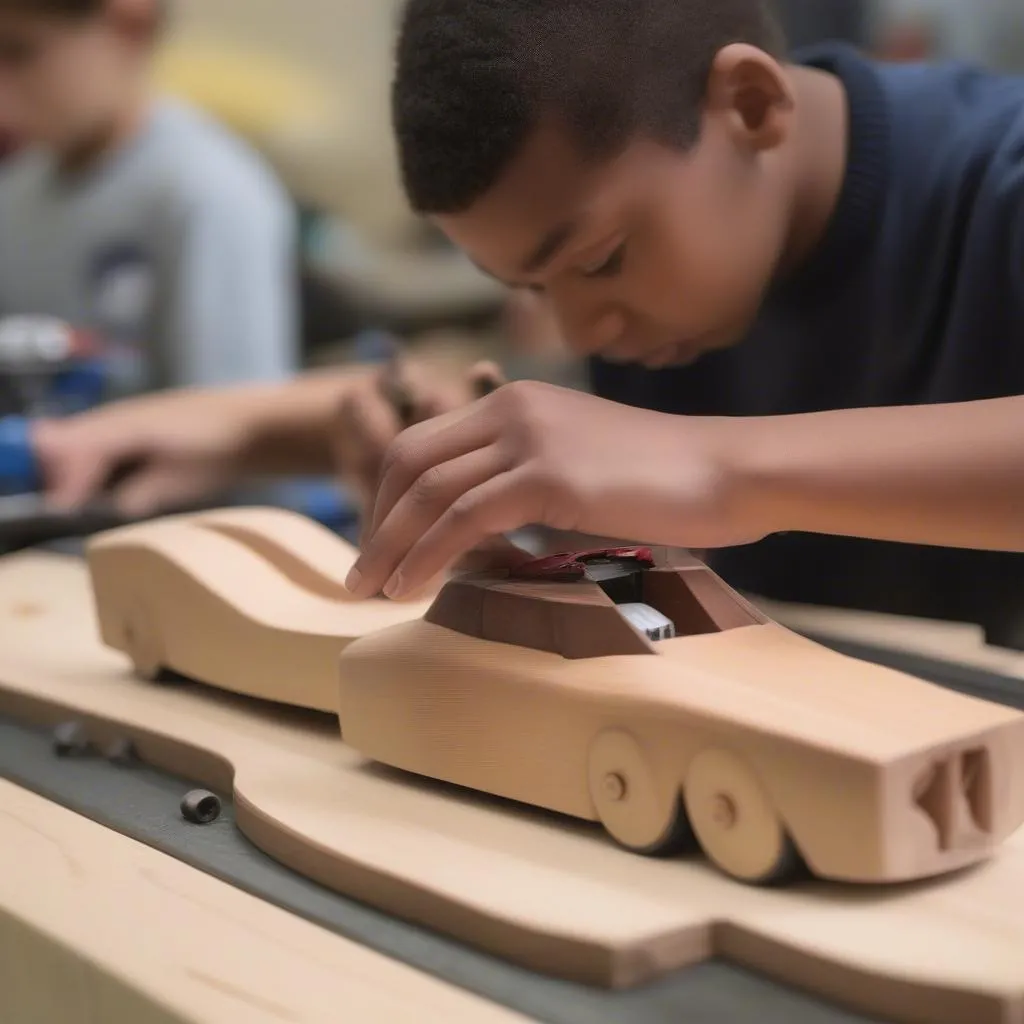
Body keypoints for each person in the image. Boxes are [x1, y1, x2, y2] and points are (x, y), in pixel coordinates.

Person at [33, 0, 1024, 641]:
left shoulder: (999, 174)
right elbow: (534, 414)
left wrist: (713, 466)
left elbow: (690, 459)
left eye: (595, 261)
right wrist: (242, 427)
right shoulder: (674, 276)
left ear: (751, 107)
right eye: (531, 287)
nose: (584, 328)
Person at [0, 0, 298, 397]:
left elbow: (237, 424)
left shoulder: (205, 195)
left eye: (18, 52)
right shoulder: (16, 190)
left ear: (129, 25)